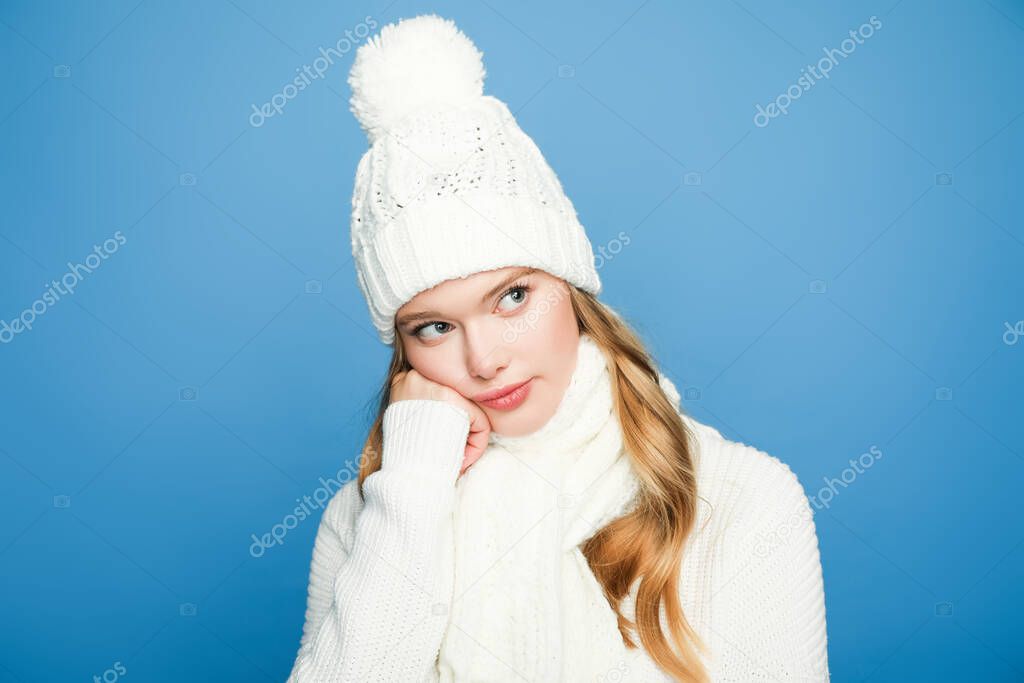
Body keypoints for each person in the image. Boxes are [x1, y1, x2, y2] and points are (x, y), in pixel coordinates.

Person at [287, 13, 829, 682]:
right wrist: (412, 495)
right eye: (434, 326)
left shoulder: (744, 497)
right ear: (403, 352)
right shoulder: (374, 515)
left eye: (511, 296)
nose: (484, 359)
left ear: (570, 288)